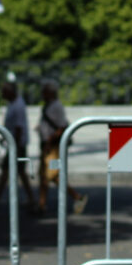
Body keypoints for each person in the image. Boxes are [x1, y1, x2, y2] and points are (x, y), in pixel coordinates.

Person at [36, 80, 87, 215]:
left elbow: (62, 126)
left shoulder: (56, 106)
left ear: (50, 92)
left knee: (52, 175)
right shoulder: (48, 106)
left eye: (44, 91)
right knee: (44, 176)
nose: (42, 94)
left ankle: (77, 197)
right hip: (47, 146)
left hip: (53, 148)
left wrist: (50, 139)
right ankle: (42, 204)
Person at [0, 82, 36, 208]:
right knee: (18, 171)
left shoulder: (18, 105)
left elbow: (18, 127)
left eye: (4, 91)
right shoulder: (13, 104)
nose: (2, 94)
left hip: (17, 144)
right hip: (14, 143)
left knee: (9, 171)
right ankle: (30, 198)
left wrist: (13, 144)